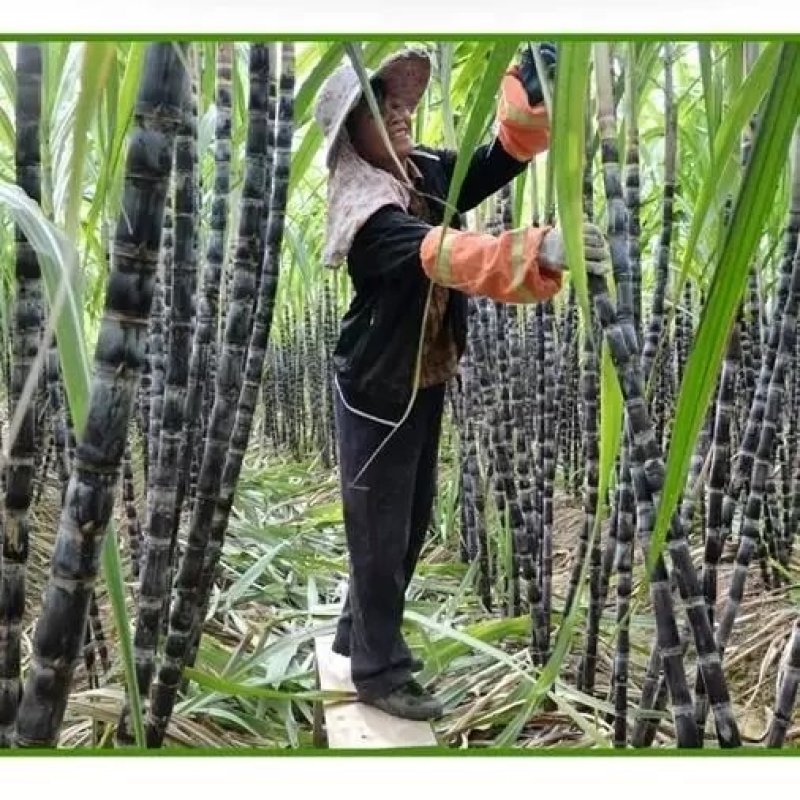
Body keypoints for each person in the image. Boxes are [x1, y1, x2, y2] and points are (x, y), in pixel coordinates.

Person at [313, 44, 609, 722]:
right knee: (380, 529)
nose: (401, 117)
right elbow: (442, 254)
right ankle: (379, 672)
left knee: (408, 520)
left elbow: (492, 163)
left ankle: (356, 635)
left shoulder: (422, 172)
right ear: (353, 140)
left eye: (399, 105)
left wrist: (531, 93)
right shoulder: (367, 213)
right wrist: (540, 250)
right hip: (376, 384)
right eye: (380, 113)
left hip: (425, 369)